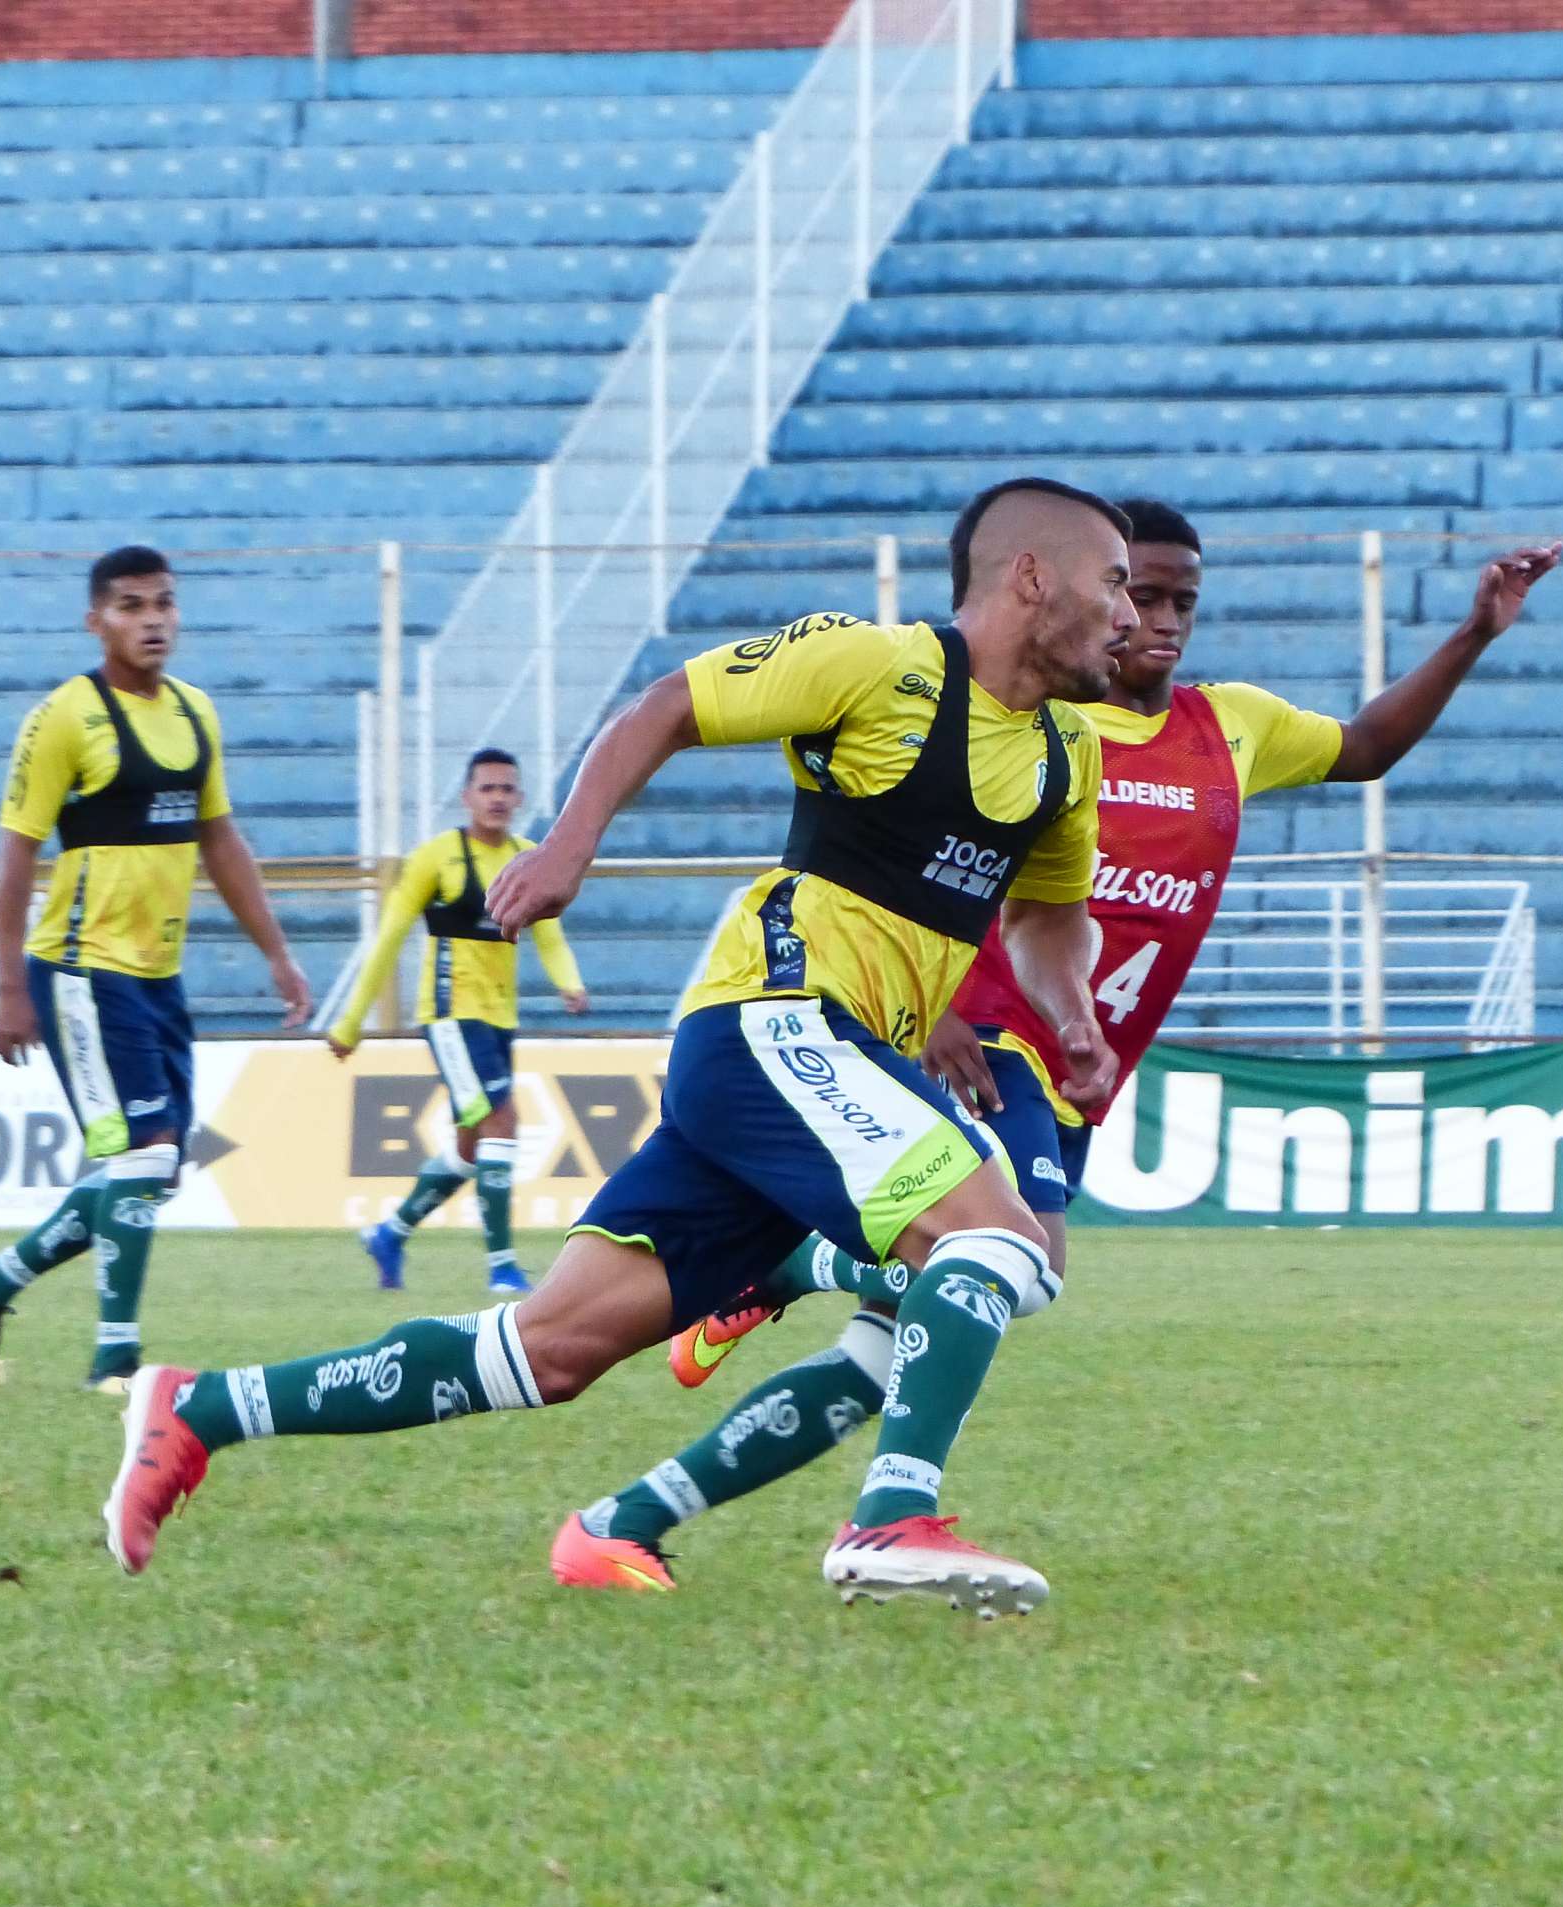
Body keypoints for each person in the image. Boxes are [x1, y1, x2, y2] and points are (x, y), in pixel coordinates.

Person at [99, 477, 1133, 1621]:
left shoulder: (1064, 759)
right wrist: (563, 852)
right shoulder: (875, 663)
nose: (1131, 616)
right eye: (1116, 583)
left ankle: (200, 1409)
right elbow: (667, 708)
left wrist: (1073, 1011)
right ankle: (890, 1514)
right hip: (773, 1022)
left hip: (805, 1071)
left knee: (549, 1351)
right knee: (1001, 1241)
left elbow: (1045, 915)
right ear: (1031, 578)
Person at [589, 502, 1560, 1570]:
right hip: (985, 1048)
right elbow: (912, 860)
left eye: (1183, 600)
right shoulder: (1043, 715)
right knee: (1026, 1260)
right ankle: (790, 1286)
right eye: (1137, 592)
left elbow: (1365, 748)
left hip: (1073, 1070)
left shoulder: (1227, 727)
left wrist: (1473, 632)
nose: (1159, 618)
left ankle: (628, 1521)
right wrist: (939, 1012)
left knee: (884, 1358)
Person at [0, 546, 311, 1392]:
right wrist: (8, 985)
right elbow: (14, 854)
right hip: (79, 968)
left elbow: (220, 840)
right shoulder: (64, 718)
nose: (152, 620)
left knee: (153, 1167)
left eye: (164, 604)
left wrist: (278, 953)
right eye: (131, 605)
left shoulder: (195, 715)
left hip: (157, 973)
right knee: (142, 1151)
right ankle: (114, 1360)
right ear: (96, 620)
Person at [330, 747, 590, 1295]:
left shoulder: (528, 859)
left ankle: (390, 1233)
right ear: (467, 796)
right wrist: (351, 1022)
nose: (497, 798)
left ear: (519, 799)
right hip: (450, 1016)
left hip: (499, 1018)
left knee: (473, 1144)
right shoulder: (436, 858)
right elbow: (389, 939)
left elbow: (549, 935)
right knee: (502, 1121)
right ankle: (501, 1266)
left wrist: (569, 981)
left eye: (507, 789)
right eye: (487, 788)